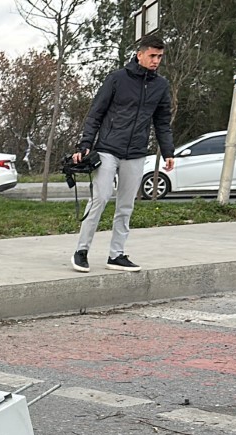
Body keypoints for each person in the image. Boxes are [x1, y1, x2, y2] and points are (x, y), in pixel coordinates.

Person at [71, 33, 175, 273]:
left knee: (126, 205)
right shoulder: (117, 79)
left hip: (136, 153)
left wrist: (168, 151)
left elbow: (162, 122)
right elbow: (95, 113)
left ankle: (116, 255)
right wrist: (85, 144)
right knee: (101, 197)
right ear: (140, 54)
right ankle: (81, 250)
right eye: (152, 55)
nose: (156, 60)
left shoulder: (161, 86)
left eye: (160, 56)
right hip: (108, 149)